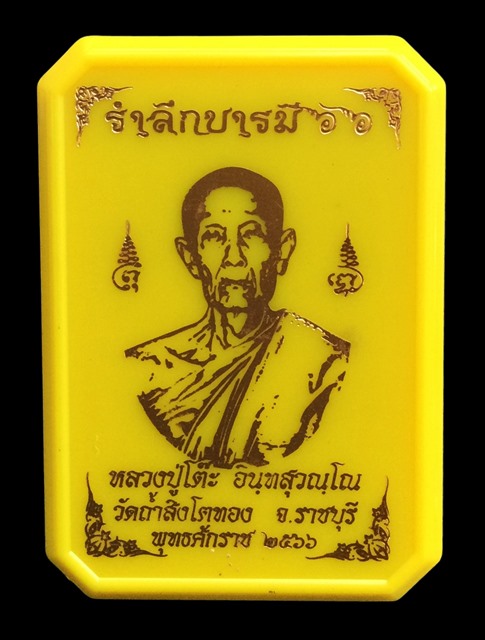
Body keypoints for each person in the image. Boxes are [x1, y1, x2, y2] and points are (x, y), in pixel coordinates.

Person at [125, 167, 350, 467]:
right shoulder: (143, 369)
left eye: (251, 235)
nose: (234, 258)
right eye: (214, 237)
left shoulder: (325, 362)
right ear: (190, 257)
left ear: (282, 251)